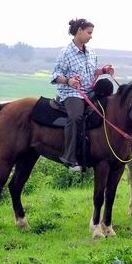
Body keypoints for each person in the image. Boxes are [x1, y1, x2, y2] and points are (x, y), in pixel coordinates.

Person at [51, 18, 114, 171]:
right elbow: (54, 75)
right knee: (76, 117)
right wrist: (68, 81)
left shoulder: (91, 52)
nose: (90, 36)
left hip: (88, 90)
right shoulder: (66, 52)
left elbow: (93, 73)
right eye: (89, 33)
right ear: (79, 31)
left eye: (91, 33)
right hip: (71, 92)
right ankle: (69, 157)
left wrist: (104, 71)